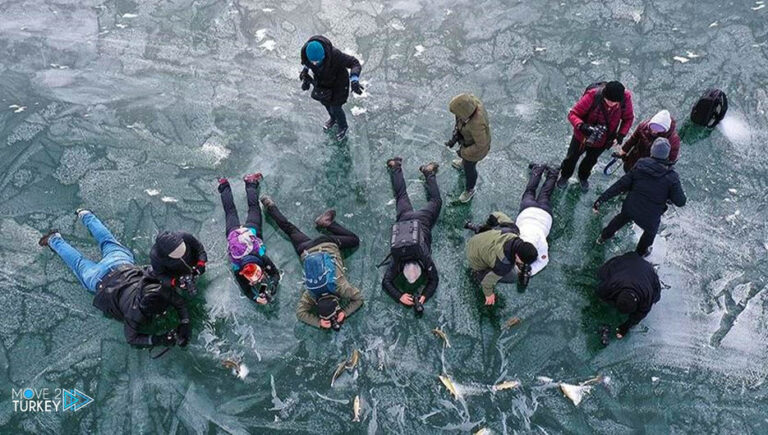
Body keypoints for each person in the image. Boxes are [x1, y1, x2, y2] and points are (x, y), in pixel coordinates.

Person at [38, 210, 191, 348]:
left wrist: (183, 324)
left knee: (106, 240)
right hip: (99, 279)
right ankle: (53, 239)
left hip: (120, 264)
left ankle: (84, 214)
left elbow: (176, 300)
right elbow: (131, 339)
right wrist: (160, 339)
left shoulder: (155, 291)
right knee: (79, 262)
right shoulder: (136, 313)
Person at [261, 197, 363, 329]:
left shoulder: (340, 287)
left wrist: (343, 313)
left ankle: (327, 223)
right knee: (290, 229)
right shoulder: (311, 294)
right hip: (305, 250)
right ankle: (269, 205)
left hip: (326, 243)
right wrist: (320, 321)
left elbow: (359, 299)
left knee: (354, 240)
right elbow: (300, 313)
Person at [593, 138, 687, 256]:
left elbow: (621, 185)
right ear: (667, 155)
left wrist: (601, 199)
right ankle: (640, 254)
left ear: (652, 152)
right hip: (650, 216)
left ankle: (602, 237)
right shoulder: (672, 177)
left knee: (620, 219)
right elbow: (680, 201)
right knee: (650, 233)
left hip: (631, 207)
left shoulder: (641, 164)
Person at [382, 158, 441, 315]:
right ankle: (395, 166)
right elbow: (386, 282)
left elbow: (434, 280)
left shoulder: (422, 256)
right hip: (404, 219)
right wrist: (402, 295)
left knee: (436, 201)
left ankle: (429, 172)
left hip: (423, 220)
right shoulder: (398, 257)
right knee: (401, 196)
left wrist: (404, 296)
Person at [558, 81, 635, 192]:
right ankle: (565, 175)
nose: (611, 104)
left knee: (591, 160)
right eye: (608, 101)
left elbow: (628, 118)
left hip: (604, 139)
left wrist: (621, 135)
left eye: (615, 103)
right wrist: (581, 126)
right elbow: (573, 114)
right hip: (582, 137)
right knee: (572, 157)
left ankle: (583, 177)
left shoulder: (625, 98)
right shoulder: (592, 96)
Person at [218, 173, 281, 304]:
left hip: (249, 231)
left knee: (249, 208)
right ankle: (223, 184)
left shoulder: (257, 259)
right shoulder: (247, 263)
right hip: (234, 232)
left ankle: (250, 182)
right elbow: (249, 289)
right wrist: (257, 296)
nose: (258, 282)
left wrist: (271, 285)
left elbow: (249, 289)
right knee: (231, 211)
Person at [465, 211, 539, 305]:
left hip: (478, 239)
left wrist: (487, 226)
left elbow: (496, 215)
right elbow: (487, 282)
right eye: (522, 261)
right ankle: (477, 275)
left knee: (494, 231)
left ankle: (480, 229)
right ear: (517, 256)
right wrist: (489, 294)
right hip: (473, 256)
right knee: (512, 276)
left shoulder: (512, 230)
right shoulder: (503, 265)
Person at [300, 35, 363, 141]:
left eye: (318, 61)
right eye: (313, 62)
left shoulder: (335, 55)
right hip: (322, 82)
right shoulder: (306, 54)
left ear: (324, 55)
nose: (315, 64)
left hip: (339, 83)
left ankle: (343, 126)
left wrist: (354, 79)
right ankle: (333, 119)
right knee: (325, 103)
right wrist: (305, 73)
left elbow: (354, 63)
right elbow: (306, 63)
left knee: (336, 107)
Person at [596, 251, 661, 339]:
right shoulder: (612, 284)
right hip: (626, 262)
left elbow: (639, 315)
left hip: (648, 271)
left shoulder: (646, 298)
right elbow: (599, 292)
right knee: (601, 274)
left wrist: (626, 327)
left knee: (656, 297)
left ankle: (653, 269)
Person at [514, 163, 559, 277]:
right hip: (528, 211)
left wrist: (527, 270)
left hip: (544, 214)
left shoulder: (542, 243)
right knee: (531, 191)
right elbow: (543, 261)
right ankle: (548, 171)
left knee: (544, 194)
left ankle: (546, 171)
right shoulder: (519, 238)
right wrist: (530, 271)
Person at [445, 93, 491, 202]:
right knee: (466, 162)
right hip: (467, 140)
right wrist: (455, 138)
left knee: (469, 169)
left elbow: (481, 145)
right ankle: (463, 162)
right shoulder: (468, 109)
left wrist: (464, 152)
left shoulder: (477, 123)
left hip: (477, 151)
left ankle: (470, 190)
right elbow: (459, 123)